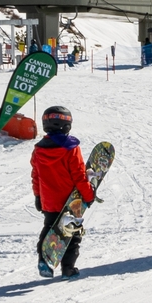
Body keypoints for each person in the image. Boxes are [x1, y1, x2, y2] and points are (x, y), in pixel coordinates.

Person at [31, 105, 100, 278]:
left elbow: (36, 176)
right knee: (72, 234)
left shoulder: (38, 150)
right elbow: (79, 176)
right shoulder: (71, 148)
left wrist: (38, 196)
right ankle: (68, 268)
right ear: (66, 125)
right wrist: (88, 195)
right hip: (71, 201)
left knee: (49, 231)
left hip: (49, 201)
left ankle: (44, 262)